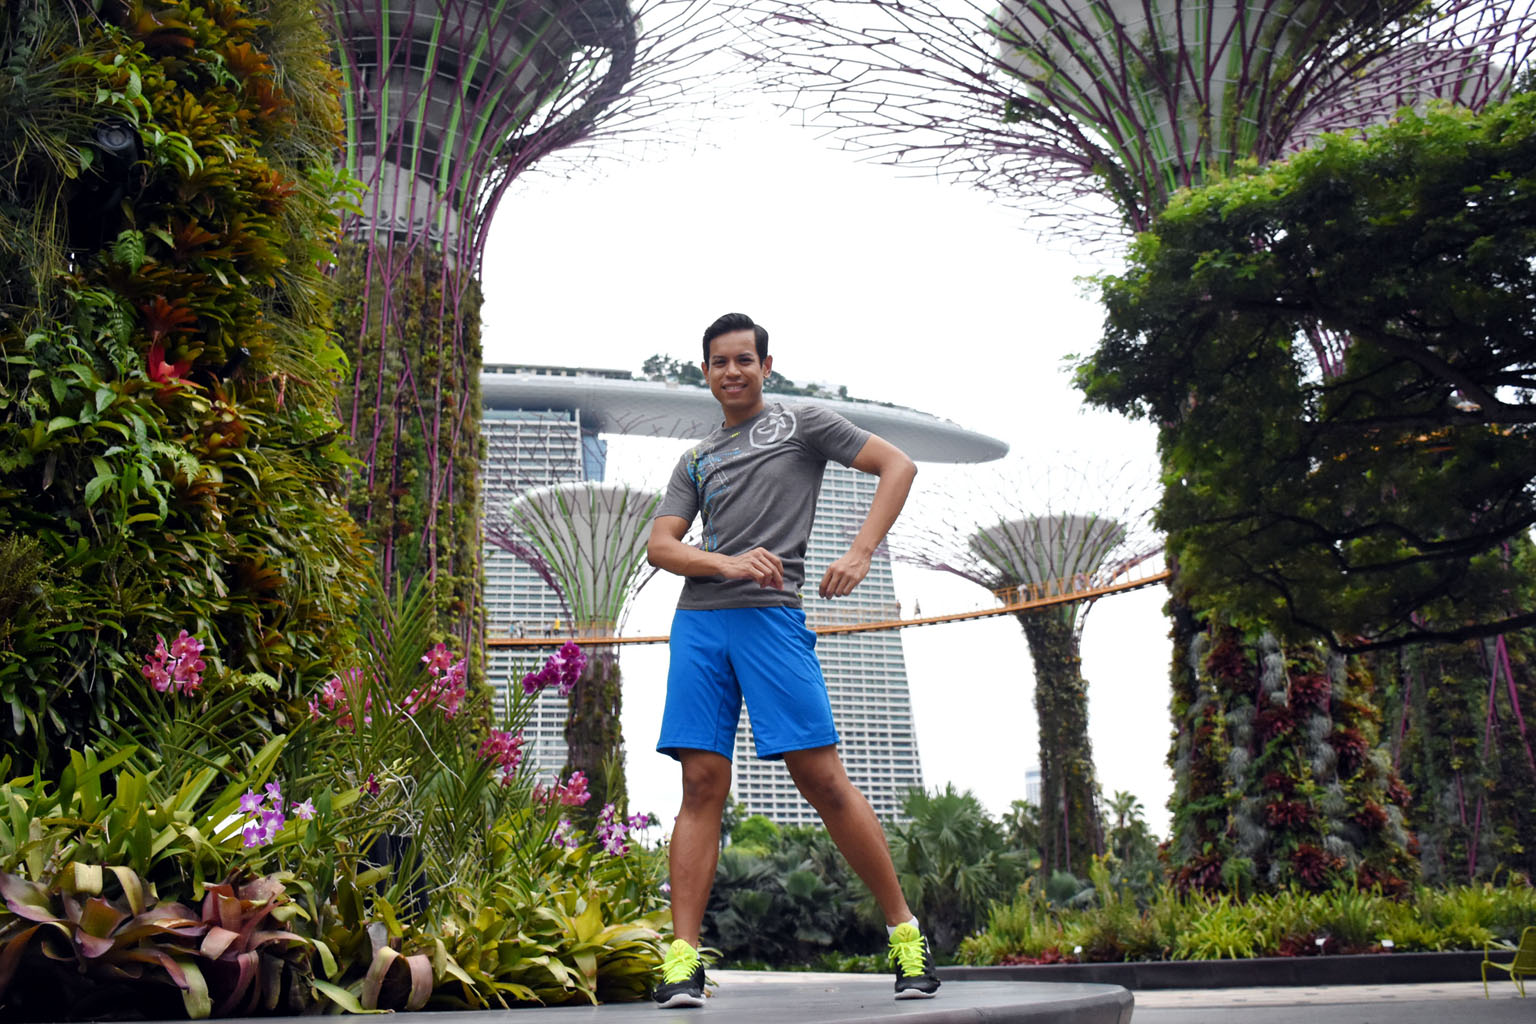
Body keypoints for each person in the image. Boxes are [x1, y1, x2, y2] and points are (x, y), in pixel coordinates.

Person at [645, 312, 941, 1008]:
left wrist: (861, 549)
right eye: (719, 362)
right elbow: (662, 546)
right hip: (699, 626)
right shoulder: (695, 460)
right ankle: (683, 960)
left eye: (744, 360)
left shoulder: (802, 421)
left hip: (771, 622)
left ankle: (906, 939)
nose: (732, 372)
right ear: (706, 372)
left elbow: (898, 465)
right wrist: (724, 561)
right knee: (700, 785)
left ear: (766, 366)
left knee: (824, 780)